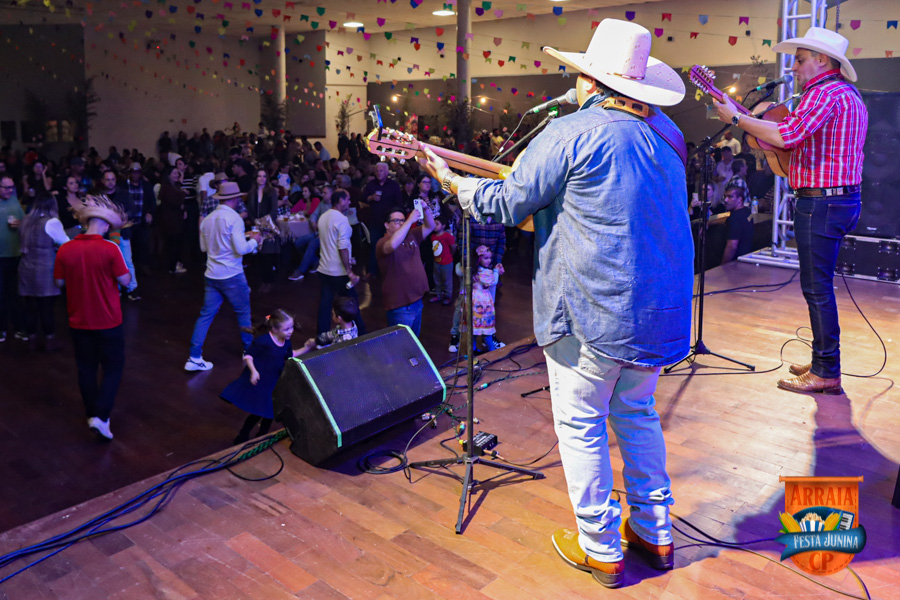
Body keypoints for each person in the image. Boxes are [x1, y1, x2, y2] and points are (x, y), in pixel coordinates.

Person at [419, 19, 692, 588]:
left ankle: (601, 547)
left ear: (591, 81)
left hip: (593, 310)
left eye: (578, 74)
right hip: (658, 311)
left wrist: (449, 181)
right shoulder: (669, 135)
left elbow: (504, 204)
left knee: (582, 423)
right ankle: (655, 533)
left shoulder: (570, 131)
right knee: (637, 413)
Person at [714, 26, 867, 395]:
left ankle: (826, 371)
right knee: (820, 287)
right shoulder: (847, 94)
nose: (794, 67)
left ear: (822, 60)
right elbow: (796, 138)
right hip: (840, 200)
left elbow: (786, 136)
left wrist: (736, 119)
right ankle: (823, 360)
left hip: (822, 203)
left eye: (799, 60)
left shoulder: (824, 94)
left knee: (817, 289)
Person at [53, 195, 131, 441]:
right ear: (106, 225)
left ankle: (91, 414)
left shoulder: (66, 249)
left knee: (86, 367)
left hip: (78, 321)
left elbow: (59, 283)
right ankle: (101, 416)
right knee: (113, 367)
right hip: (108, 320)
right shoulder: (110, 248)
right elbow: (125, 281)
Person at [184, 182, 262, 371]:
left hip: (212, 275)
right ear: (235, 199)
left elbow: (204, 247)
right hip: (232, 275)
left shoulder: (207, 219)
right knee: (243, 313)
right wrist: (254, 241)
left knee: (205, 315)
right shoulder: (235, 219)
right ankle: (248, 351)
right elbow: (241, 249)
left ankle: (194, 357)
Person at [221, 309, 316, 445]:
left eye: (291, 328)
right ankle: (243, 434)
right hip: (262, 380)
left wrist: (307, 347)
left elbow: (290, 355)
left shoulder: (286, 342)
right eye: (286, 329)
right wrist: (253, 371)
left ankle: (262, 436)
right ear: (275, 329)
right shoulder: (264, 341)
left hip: (274, 380)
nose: (290, 331)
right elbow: (248, 356)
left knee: (270, 412)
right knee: (260, 411)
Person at [17, 192, 67, 350]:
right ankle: (49, 340)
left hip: (25, 267)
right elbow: (65, 243)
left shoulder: (26, 220)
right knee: (46, 306)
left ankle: (31, 340)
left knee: (29, 306)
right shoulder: (52, 222)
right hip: (45, 268)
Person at [376, 204, 434, 337]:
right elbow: (392, 245)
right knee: (401, 344)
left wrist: (425, 209)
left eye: (403, 220)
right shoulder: (382, 242)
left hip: (417, 300)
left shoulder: (411, 235)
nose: (401, 223)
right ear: (386, 225)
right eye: (397, 221)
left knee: (413, 341)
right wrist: (409, 221)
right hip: (400, 305)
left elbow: (430, 226)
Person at [316, 189, 363, 335]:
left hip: (324, 269)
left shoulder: (323, 217)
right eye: (348, 199)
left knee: (325, 305)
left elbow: (329, 243)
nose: (349, 202)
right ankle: (362, 335)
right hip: (339, 272)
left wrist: (349, 259)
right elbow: (342, 247)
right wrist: (350, 272)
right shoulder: (342, 220)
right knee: (352, 303)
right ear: (341, 201)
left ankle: (321, 337)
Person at [361, 162, 402, 277]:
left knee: (391, 245)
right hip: (375, 220)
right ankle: (372, 271)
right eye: (377, 171)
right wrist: (371, 197)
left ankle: (391, 271)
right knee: (375, 245)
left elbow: (399, 203)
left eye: (381, 170)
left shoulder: (393, 185)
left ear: (387, 172)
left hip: (389, 222)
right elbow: (363, 198)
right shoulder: (371, 184)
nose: (379, 173)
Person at [0, 175, 25, 343]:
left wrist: (20, 224)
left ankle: (18, 327)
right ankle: (1, 329)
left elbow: (24, 222)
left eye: (12, 187)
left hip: (15, 254)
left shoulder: (15, 201)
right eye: (6, 187)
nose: (10, 190)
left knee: (14, 294)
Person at [246, 168, 280, 294]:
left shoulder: (271, 191)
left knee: (267, 255)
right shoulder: (252, 193)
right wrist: (255, 221)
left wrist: (264, 224)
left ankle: (269, 282)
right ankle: (263, 281)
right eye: (259, 176)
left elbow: (274, 210)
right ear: (256, 178)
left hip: (268, 228)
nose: (262, 178)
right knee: (259, 256)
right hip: (256, 227)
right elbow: (250, 210)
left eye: (264, 176)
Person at [471, 245, 503, 353]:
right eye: (486, 258)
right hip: (482, 302)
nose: (489, 260)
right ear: (479, 259)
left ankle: (473, 349)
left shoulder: (474, 271)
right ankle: (491, 350)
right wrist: (496, 271)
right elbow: (494, 282)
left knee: (474, 328)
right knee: (486, 329)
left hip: (473, 300)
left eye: (490, 258)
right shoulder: (486, 272)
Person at [720, 185, 754, 264]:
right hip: (746, 259)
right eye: (725, 196)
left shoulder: (734, 218)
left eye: (730, 197)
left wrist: (722, 266)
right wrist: (709, 222)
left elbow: (732, 246)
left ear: (739, 199)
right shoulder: (747, 212)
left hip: (735, 263)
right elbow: (727, 219)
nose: (725, 200)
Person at [429, 213, 456, 305]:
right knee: (437, 280)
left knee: (447, 280)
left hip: (446, 263)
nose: (434, 226)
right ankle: (438, 295)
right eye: (433, 223)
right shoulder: (432, 236)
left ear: (443, 226)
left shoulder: (447, 236)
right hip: (436, 262)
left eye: (437, 224)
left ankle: (448, 296)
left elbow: (453, 247)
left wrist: (450, 255)